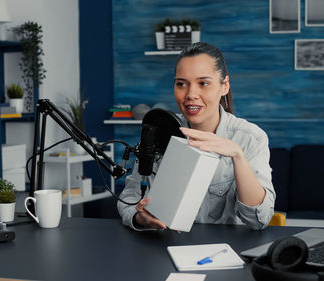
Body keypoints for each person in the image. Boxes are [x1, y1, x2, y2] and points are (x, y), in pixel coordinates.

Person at [117, 42, 275, 231]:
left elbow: (260, 220)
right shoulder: (159, 131)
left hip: (224, 252)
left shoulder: (251, 138)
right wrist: (139, 217)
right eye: (181, 84)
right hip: (162, 244)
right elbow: (129, 197)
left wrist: (237, 155)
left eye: (203, 83)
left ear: (224, 85)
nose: (191, 94)